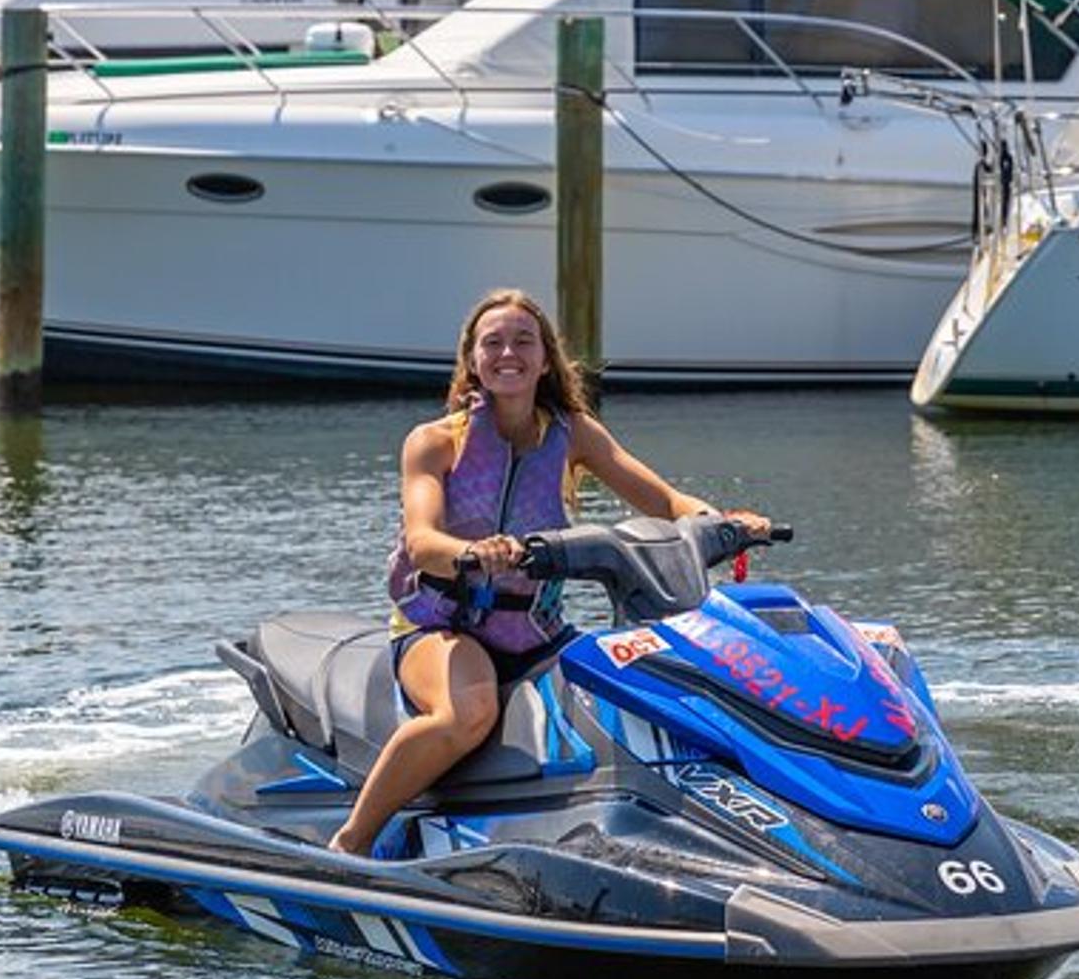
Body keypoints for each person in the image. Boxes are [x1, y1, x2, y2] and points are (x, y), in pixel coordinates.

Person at [328, 288, 768, 856]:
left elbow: (662, 499)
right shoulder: (433, 442)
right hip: (442, 627)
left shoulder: (573, 434)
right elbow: (422, 538)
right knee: (469, 711)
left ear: (544, 359)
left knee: (648, 685)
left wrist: (721, 522)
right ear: (472, 360)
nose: (507, 353)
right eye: (492, 343)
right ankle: (352, 841)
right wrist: (471, 552)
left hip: (535, 632)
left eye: (522, 341)